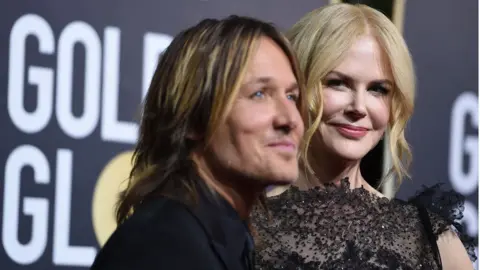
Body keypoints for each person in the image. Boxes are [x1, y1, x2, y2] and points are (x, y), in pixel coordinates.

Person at [252, 4, 477, 270]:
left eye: (378, 89)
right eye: (338, 83)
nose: (359, 107)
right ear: (295, 88)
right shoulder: (243, 231)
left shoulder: (431, 241)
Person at [90, 15, 308, 270]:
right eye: (259, 94)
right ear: (193, 118)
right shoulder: (163, 248)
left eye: (292, 97)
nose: (290, 119)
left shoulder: (232, 241)